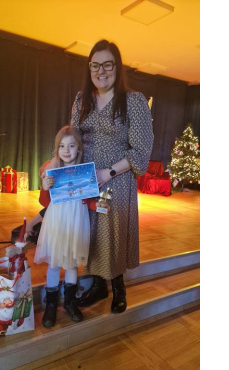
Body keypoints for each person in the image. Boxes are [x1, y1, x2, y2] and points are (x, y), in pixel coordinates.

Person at [70, 39, 153, 313]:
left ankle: (118, 286)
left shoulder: (133, 101)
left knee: (112, 233)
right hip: (86, 178)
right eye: (95, 65)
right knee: (90, 232)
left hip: (116, 178)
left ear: (117, 67)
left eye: (107, 64)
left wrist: (108, 172)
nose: (101, 71)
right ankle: (97, 285)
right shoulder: (82, 100)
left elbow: (141, 150)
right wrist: (55, 161)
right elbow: (72, 137)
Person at [33, 126, 90, 327]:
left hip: (76, 219)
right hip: (57, 220)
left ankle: (70, 302)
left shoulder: (84, 171)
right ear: (57, 149)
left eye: (71, 146)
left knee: (71, 263)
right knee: (55, 263)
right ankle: (51, 304)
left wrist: (98, 203)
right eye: (62, 146)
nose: (67, 150)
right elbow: (44, 200)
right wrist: (45, 187)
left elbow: (89, 197)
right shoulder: (52, 171)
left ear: (78, 148)